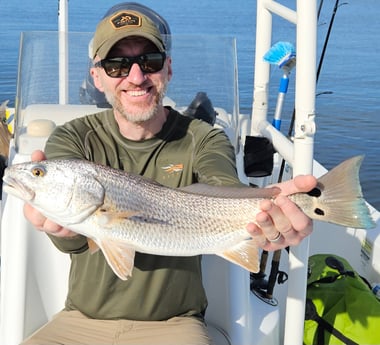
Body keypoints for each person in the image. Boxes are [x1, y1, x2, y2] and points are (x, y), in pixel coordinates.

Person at [21, 2, 317, 345]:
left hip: (175, 326)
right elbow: (70, 237)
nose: (136, 77)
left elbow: (225, 190)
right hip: (79, 321)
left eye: (150, 61)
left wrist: (270, 213)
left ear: (168, 69)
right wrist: (59, 226)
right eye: (117, 65)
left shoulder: (203, 138)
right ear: (97, 77)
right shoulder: (72, 138)